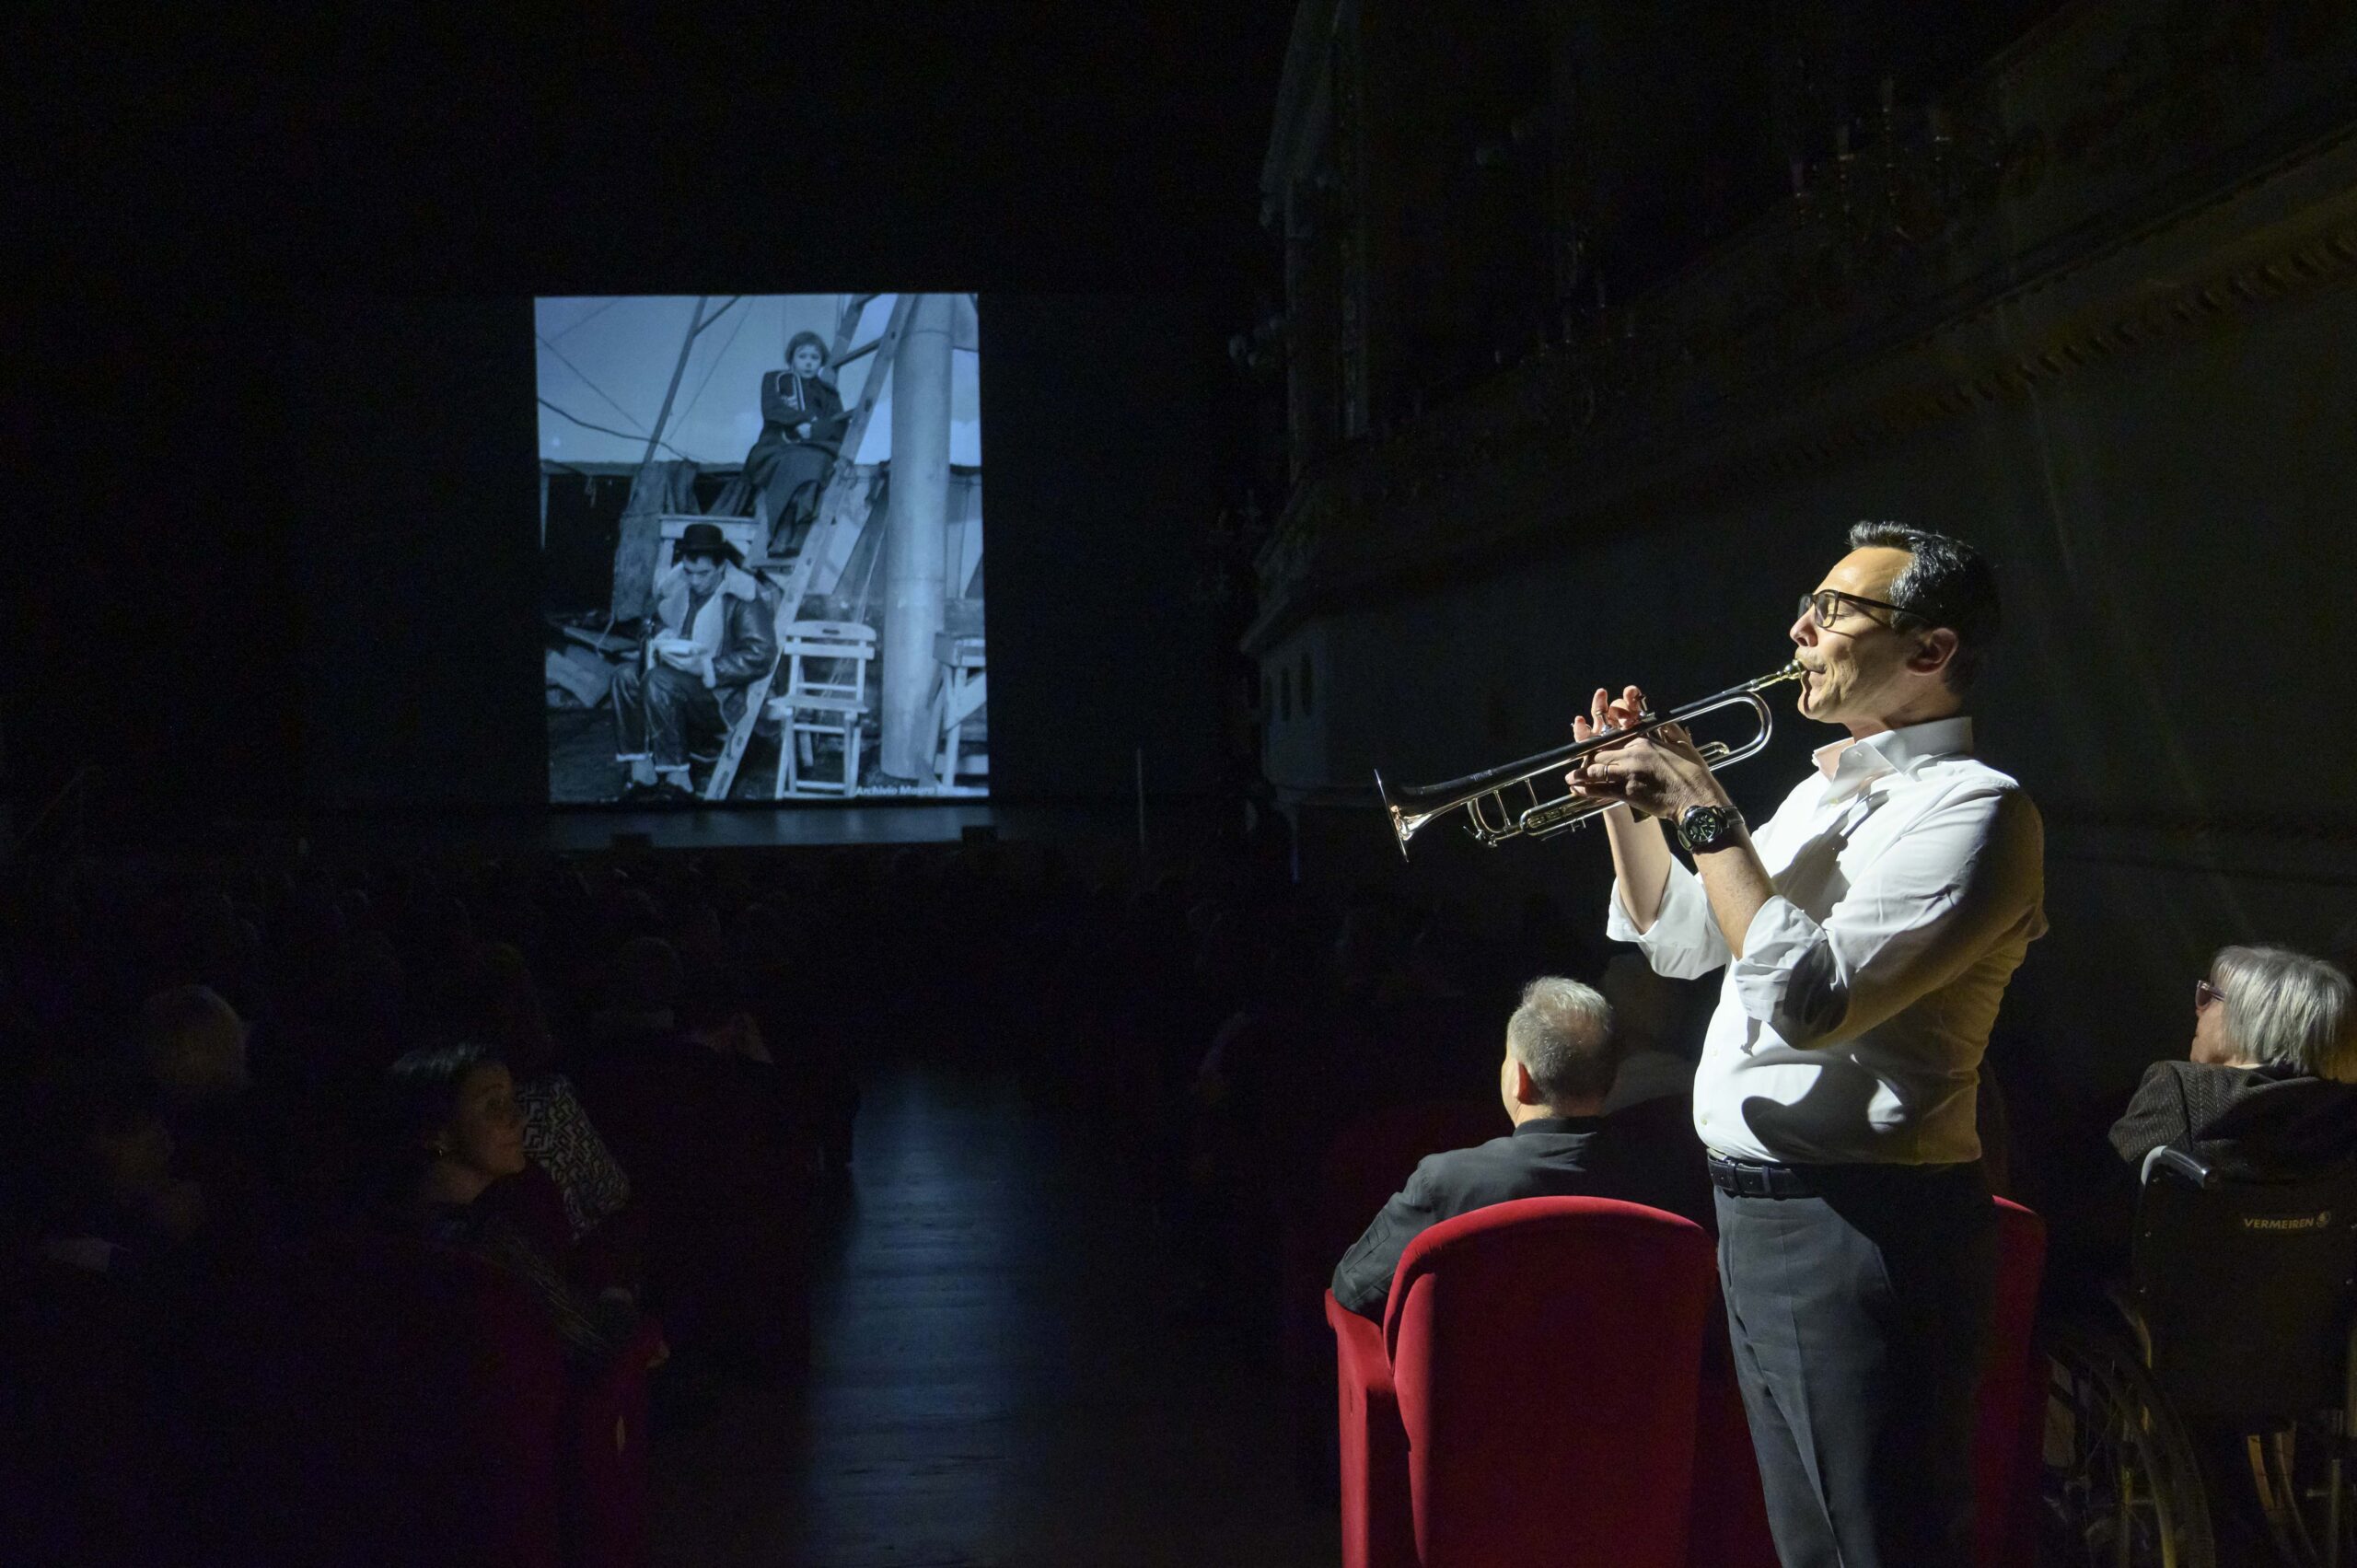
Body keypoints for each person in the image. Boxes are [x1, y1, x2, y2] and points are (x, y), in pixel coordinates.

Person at [1566, 521, 2044, 1568]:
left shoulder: (1977, 810)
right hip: (1757, 1212)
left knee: (1878, 1542)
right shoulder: (1819, 792)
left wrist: (1702, 804)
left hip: (1862, 1222)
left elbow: (1805, 998)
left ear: (1929, 649)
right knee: (1811, 1543)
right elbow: (1684, 941)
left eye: (1831, 611)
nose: (1799, 631)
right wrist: (1629, 806)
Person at [1329, 976, 1712, 1320]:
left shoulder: (1445, 1185)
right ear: (1611, 1080)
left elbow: (1351, 1288)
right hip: (1622, 1378)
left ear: (1520, 1079)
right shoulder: (1666, 1179)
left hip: (1480, 1378)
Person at [384, 1042, 644, 1371]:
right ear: (437, 1134)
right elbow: (593, 1347)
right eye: (494, 1105)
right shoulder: (480, 1245)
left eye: (513, 1099)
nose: (520, 1118)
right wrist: (621, 1298)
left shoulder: (418, 1217)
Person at [2109, 945, 2357, 1178]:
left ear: (2250, 1015)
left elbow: (2113, 1190)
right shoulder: (2344, 1115)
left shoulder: (2180, 1090)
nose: (2198, 1009)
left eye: (2208, 996)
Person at [611, 521, 779, 803]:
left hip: (719, 696)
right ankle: (642, 774)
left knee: (658, 681)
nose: (695, 581)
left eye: (703, 574)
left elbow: (761, 653)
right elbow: (649, 622)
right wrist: (659, 633)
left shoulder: (741, 597)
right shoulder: (678, 586)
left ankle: (679, 782)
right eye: (689, 572)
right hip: (675, 682)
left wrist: (707, 667)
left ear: (721, 566)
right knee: (624, 676)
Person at [742, 330, 848, 554]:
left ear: (821, 361)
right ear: (792, 358)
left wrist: (814, 430)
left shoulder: (828, 393)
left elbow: (838, 424)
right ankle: (783, 531)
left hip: (815, 446)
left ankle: (797, 530)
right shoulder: (777, 380)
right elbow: (772, 410)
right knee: (800, 461)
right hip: (776, 447)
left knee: (817, 461)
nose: (808, 363)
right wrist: (801, 421)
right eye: (803, 356)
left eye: (814, 357)